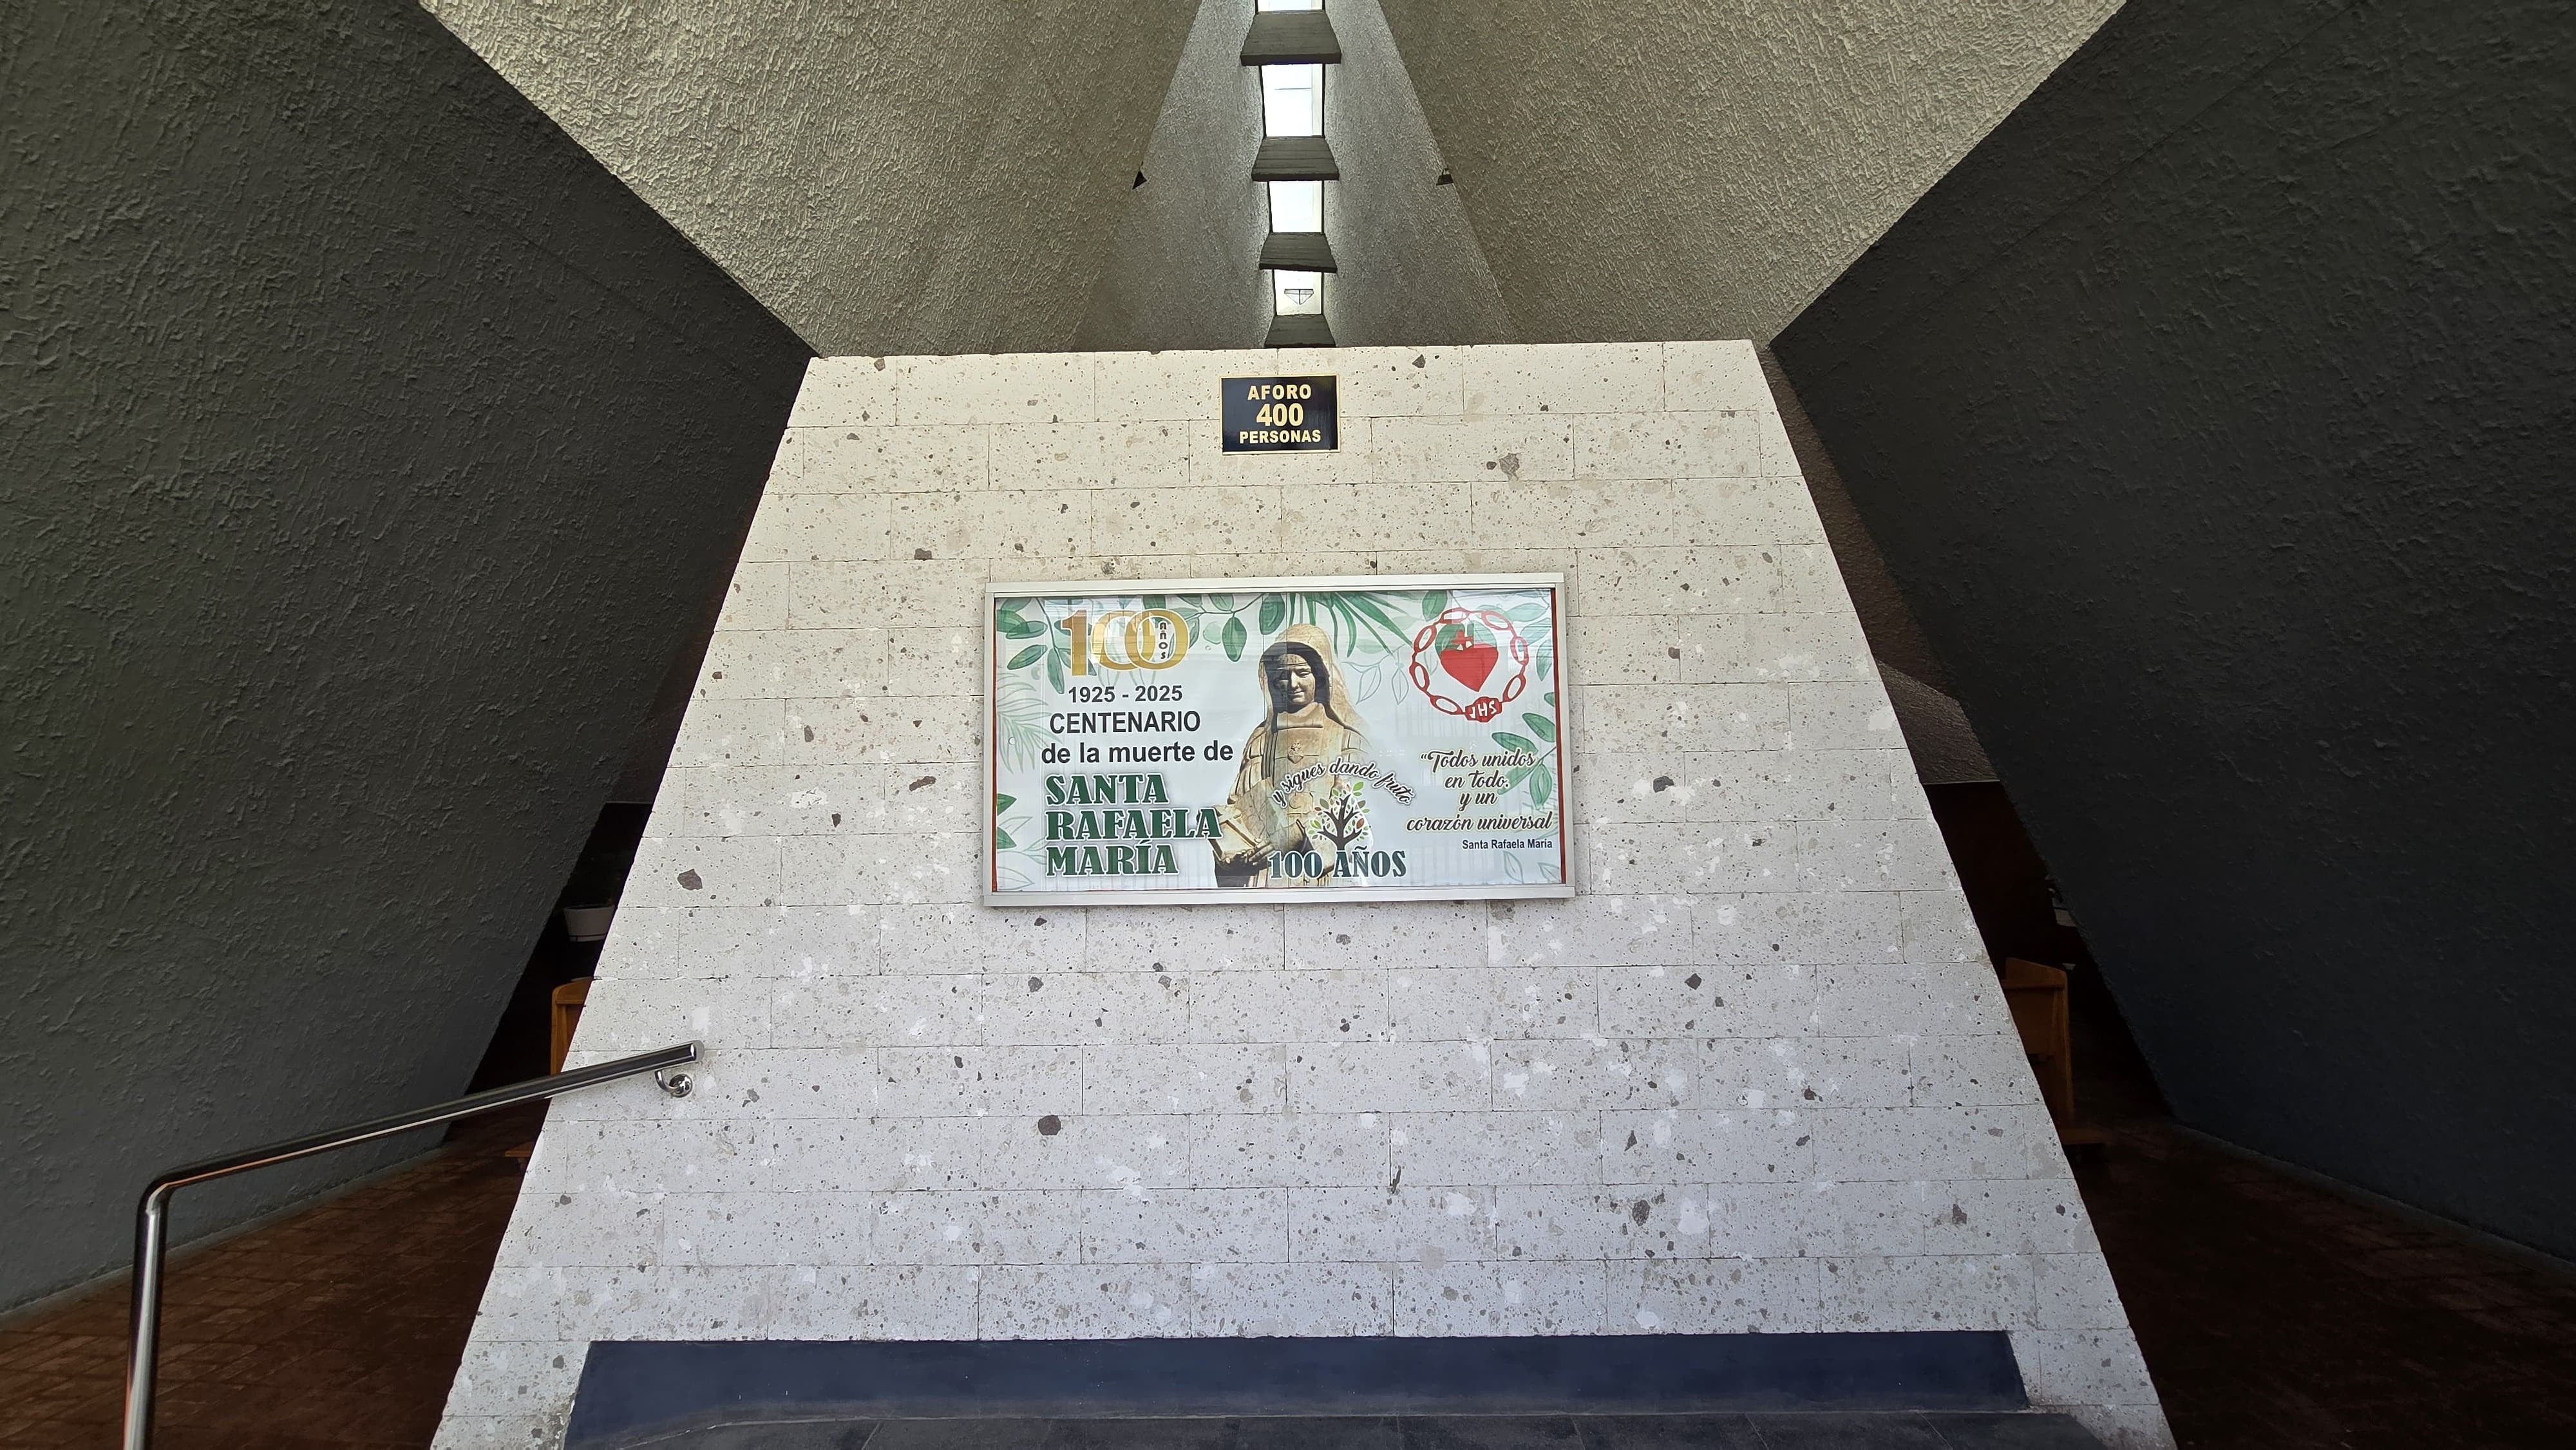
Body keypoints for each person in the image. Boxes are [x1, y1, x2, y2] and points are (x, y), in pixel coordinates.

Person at [1212, 622, 1370, 887]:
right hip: (1269, 872)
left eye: (1302, 673)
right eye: (1284, 675)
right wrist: (1232, 842)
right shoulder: (1262, 737)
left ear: (1321, 676)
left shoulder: (1345, 736)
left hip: (1320, 872)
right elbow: (1243, 801)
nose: (1293, 683)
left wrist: (1295, 835)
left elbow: (1355, 803)